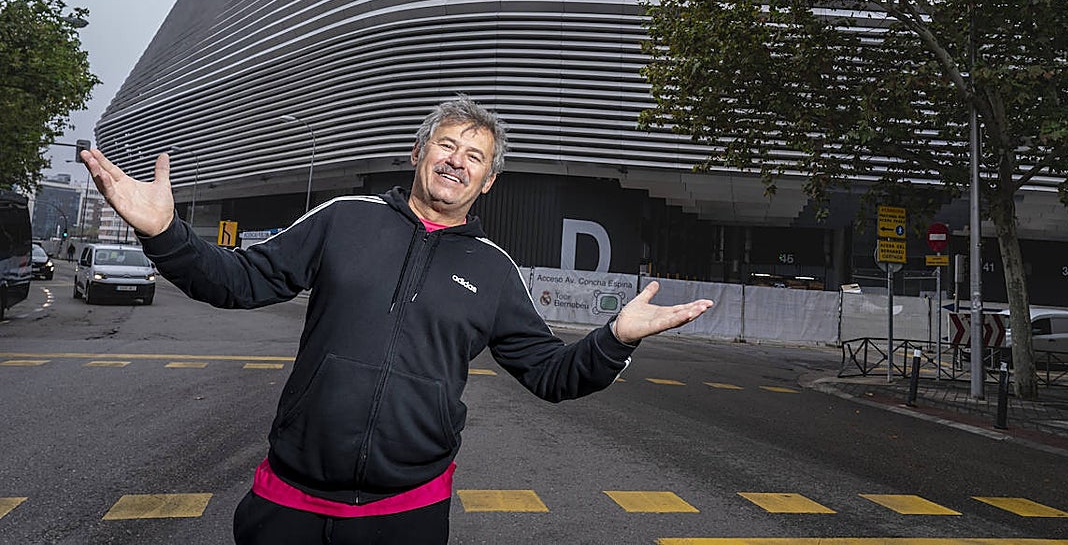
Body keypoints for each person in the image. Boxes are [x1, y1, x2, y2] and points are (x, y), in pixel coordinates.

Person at [81, 96, 713, 545]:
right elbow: (238, 280)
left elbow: (551, 373)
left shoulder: (494, 269)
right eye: (447, 144)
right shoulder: (344, 219)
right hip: (287, 503)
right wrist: (165, 233)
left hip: (406, 514)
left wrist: (615, 339)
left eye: (475, 156)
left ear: (488, 182)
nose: (457, 161)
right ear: (419, 151)